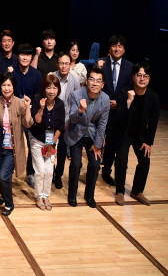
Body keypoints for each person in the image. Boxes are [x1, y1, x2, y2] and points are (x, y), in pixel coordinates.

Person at [114, 63, 160, 206]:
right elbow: (118, 117)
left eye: (145, 76)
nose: (142, 79)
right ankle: (120, 191)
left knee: (145, 161)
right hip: (124, 133)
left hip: (141, 135)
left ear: (149, 78)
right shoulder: (124, 92)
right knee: (121, 161)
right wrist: (128, 102)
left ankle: (137, 191)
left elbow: (153, 121)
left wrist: (148, 141)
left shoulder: (153, 97)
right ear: (133, 77)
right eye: (139, 75)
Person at [65, 66, 110, 208]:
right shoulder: (76, 94)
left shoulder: (105, 99)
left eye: (98, 81)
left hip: (93, 136)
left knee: (95, 165)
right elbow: (72, 120)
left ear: (102, 84)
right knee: (76, 164)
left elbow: (102, 125)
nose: (95, 83)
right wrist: (80, 110)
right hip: (76, 133)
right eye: (92, 79)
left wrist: (98, 145)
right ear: (86, 81)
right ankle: (72, 195)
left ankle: (89, 195)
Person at [0, 72, 33, 216]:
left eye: (9, 85)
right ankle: (3, 195)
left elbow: (28, 123)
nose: (6, 88)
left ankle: (9, 203)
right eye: (4, 85)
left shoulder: (19, 103)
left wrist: (27, 107)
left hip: (12, 148)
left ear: (13, 87)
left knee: (4, 177)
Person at [97, 35, 134, 187]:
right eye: (114, 45)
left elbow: (130, 87)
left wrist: (118, 102)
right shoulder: (101, 63)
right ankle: (98, 168)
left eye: (120, 46)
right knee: (98, 139)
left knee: (113, 143)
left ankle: (107, 171)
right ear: (109, 48)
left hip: (120, 111)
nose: (117, 49)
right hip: (101, 109)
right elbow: (94, 84)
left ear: (124, 50)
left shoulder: (130, 67)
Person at [29, 74, 64, 211]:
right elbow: (36, 121)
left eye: (54, 88)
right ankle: (39, 197)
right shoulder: (37, 99)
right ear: (44, 88)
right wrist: (41, 108)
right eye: (48, 88)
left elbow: (60, 127)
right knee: (40, 171)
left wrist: (52, 144)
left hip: (52, 141)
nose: (51, 91)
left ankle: (46, 196)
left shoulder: (60, 104)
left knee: (49, 171)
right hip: (37, 140)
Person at [14, 43, 42, 189]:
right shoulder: (12, 72)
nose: (25, 58)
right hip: (14, 115)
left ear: (31, 57)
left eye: (28, 55)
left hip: (30, 115)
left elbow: (38, 97)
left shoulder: (37, 75)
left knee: (32, 145)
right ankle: (9, 173)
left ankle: (30, 173)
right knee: (11, 144)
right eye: (22, 54)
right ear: (18, 56)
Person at [52, 52, 81, 189]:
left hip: (66, 121)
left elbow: (75, 103)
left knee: (62, 150)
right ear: (57, 64)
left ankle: (58, 175)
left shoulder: (75, 80)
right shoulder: (52, 77)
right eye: (61, 63)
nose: (64, 66)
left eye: (66, 63)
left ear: (70, 65)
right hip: (52, 118)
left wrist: (67, 121)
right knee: (49, 145)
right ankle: (49, 172)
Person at [0, 30, 19, 97]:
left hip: (15, 97)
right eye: (4, 41)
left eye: (9, 41)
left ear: (13, 43)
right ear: (1, 43)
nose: (7, 43)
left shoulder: (17, 59)